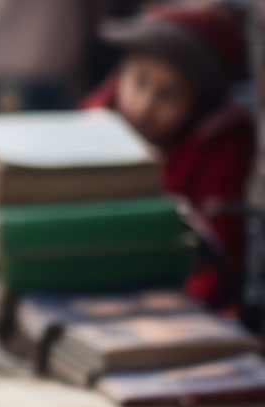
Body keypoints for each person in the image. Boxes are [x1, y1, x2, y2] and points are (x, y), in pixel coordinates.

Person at [82, 2, 256, 308]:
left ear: (198, 105)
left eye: (168, 95)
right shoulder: (94, 118)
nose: (144, 106)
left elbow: (217, 262)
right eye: (138, 81)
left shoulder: (217, 145)